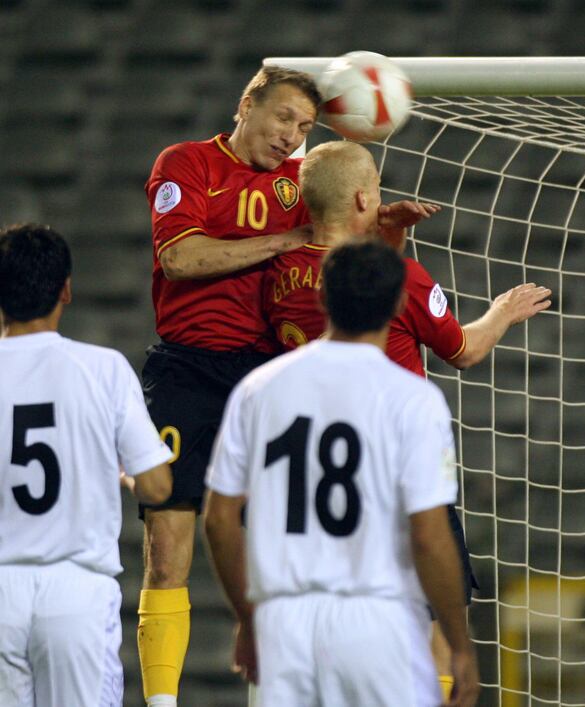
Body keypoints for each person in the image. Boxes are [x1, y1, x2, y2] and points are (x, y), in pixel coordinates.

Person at [140, 66, 438, 706]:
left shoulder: (303, 182)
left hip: (271, 376)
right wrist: (285, 237)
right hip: (188, 369)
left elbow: (343, 251)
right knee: (168, 542)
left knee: (300, 540)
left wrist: (384, 229)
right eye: (283, 119)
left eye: (305, 126)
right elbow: (179, 258)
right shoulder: (188, 163)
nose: (291, 136)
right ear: (248, 104)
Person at [261, 139, 552, 698]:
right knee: (431, 629)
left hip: (312, 487)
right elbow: (462, 351)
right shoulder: (402, 279)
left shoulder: (275, 277)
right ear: (363, 196)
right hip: (395, 471)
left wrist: (385, 233)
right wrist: (503, 313)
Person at [204, 241, 480, 706]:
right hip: (379, 621)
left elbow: (217, 519)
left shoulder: (258, 389)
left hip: (284, 624)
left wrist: (249, 618)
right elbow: (430, 536)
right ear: (398, 304)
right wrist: (459, 644)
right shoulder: (412, 398)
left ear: (322, 298)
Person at [0, 224, 173, 706]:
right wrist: (119, 475)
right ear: (66, 290)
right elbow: (158, 487)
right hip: (74, 590)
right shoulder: (102, 368)